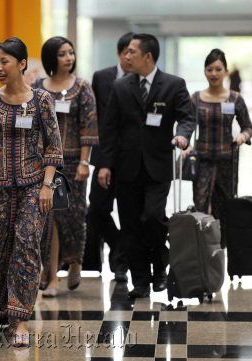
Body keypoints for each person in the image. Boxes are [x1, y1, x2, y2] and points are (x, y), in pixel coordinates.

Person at [0, 37, 63, 347]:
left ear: (21, 64)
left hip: (33, 185)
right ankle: (11, 311)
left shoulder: (41, 100)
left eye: (4, 62)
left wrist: (47, 185)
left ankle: (21, 319)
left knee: (26, 246)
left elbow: (53, 145)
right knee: (5, 253)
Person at [99, 33, 195, 298]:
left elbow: (187, 116)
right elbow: (110, 129)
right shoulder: (120, 87)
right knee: (130, 225)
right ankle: (140, 281)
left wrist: (183, 136)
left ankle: (160, 268)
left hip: (158, 166)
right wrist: (105, 165)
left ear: (148, 56)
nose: (126, 57)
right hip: (126, 167)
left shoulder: (173, 85)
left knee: (152, 218)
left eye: (131, 52)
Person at [32, 36, 98, 298]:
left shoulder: (82, 87)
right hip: (46, 164)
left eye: (71, 53)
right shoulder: (38, 88)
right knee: (50, 218)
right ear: (52, 58)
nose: (69, 58)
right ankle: (50, 275)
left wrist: (85, 161)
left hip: (74, 163)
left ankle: (76, 262)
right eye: (62, 54)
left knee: (75, 216)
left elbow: (89, 127)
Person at [184, 49, 252, 248]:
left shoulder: (235, 99)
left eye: (218, 69)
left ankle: (221, 250)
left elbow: (248, 126)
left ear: (226, 72)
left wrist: (242, 136)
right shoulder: (196, 98)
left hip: (227, 160)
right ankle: (201, 249)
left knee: (226, 206)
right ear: (204, 72)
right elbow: (187, 125)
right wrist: (186, 144)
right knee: (200, 203)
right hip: (202, 160)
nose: (214, 74)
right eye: (209, 69)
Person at [89, 32, 133, 283]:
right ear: (118, 53)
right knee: (97, 209)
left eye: (133, 52)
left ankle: (120, 262)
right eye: (126, 51)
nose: (129, 57)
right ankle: (119, 248)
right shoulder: (102, 77)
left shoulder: (141, 79)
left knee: (129, 213)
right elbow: (96, 118)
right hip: (104, 156)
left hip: (130, 159)